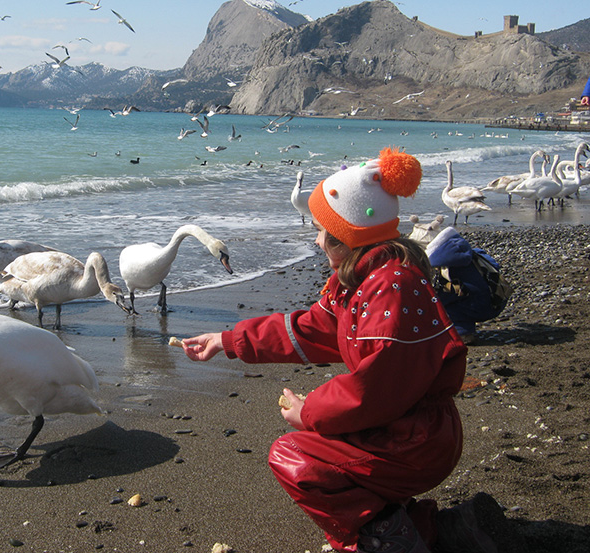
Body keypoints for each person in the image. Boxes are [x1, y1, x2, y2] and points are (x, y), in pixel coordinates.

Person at [180, 148, 522, 553]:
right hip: (407, 428)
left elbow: (374, 388)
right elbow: (314, 328)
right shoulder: (366, 278)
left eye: (322, 229)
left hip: (416, 440)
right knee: (326, 453)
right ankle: (422, 526)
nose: (316, 237)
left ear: (347, 237)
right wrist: (229, 341)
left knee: (295, 456)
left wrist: (308, 412)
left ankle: (393, 542)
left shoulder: (390, 290)